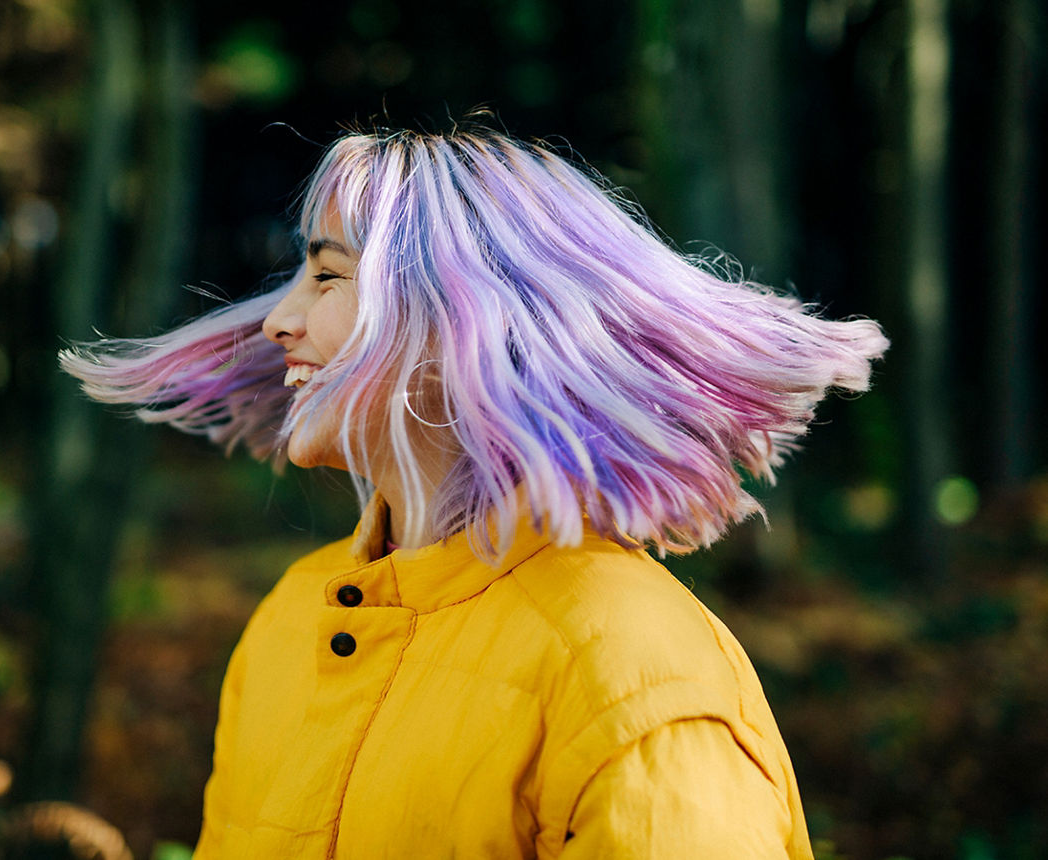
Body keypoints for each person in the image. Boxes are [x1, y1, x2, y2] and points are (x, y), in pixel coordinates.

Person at [61, 123, 888, 858]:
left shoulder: (633, 670)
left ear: (457, 321)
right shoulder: (289, 618)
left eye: (327, 276)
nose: (278, 319)